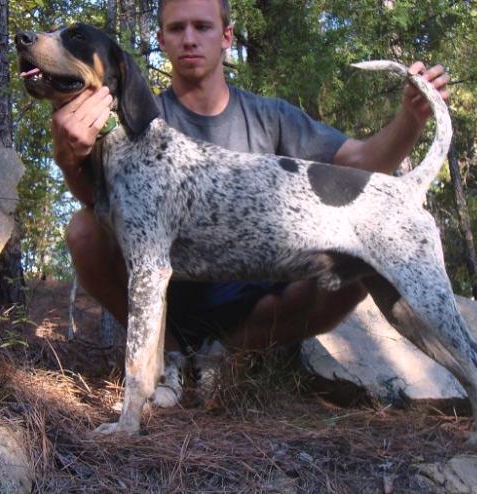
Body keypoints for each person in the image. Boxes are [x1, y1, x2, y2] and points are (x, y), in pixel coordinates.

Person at [52, 0, 450, 405]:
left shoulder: (271, 117)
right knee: (84, 229)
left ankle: (227, 353)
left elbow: (362, 164)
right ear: (161, 41)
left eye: (202, 27)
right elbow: (98, 206)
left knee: (359, 252)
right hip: (166, 295)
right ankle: (169, 354)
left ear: (226, 36)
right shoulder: (133, 116)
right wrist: (68, 153)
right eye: (176, 29)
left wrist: (411, 119)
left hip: (256, 307)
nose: (189, 38)